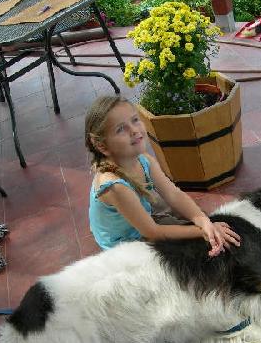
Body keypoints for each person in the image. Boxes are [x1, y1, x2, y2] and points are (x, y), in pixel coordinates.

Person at [86, 95, 241, 256]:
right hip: (126, 241)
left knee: (196, 218)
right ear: (102, 146)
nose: (134, 130)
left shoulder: (144, 159)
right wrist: (201, 232)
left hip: (142, 219)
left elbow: (174, 194)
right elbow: (152, 232)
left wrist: (203, 221)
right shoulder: (114, 186)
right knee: (190, 250)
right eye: (120, 129)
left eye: (135, 120)